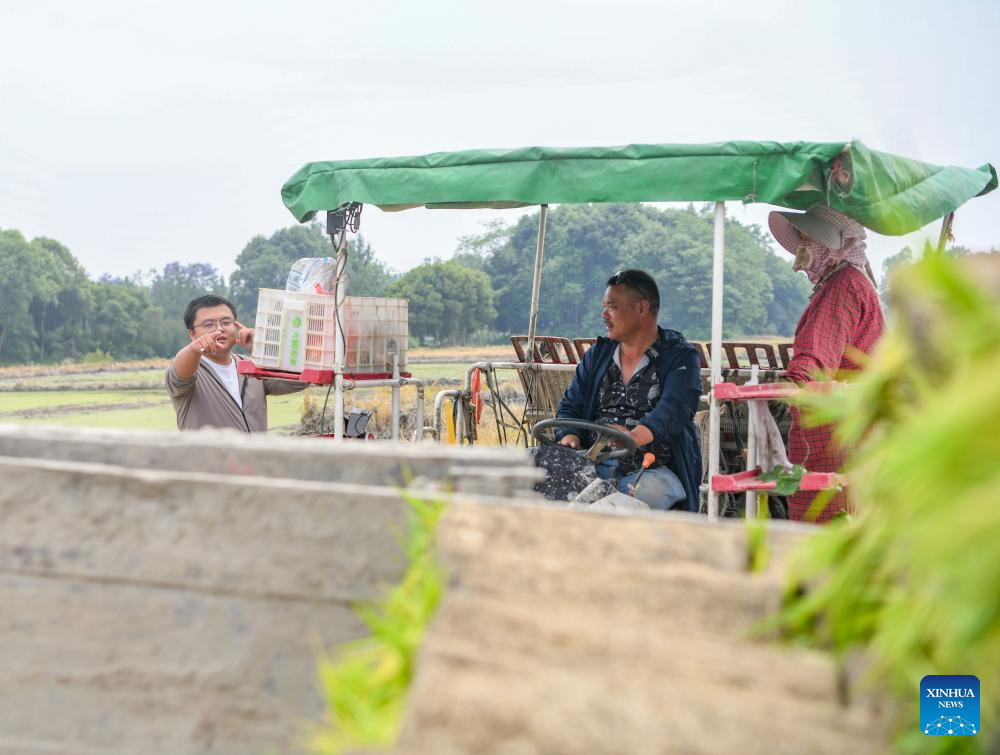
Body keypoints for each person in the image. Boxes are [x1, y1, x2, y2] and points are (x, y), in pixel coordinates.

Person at [768, 202, 885, 522]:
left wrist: (785, 387)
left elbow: (815, 359)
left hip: (836, 437)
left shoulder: (842, 287)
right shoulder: (852, 281)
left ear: (832, 244)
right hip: (851, 432)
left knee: (822, 527)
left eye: (809, 240)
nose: (802, 253)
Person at [555, 270, 703, 511]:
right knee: (536, 470)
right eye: (604, 306)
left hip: (654, 470)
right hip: (594, 461)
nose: (604, 315)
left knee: (640, 496)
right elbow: (571, 406)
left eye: (611, 306)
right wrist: (569, 436)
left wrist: (635, 436)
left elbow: (675, 408)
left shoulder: (680, 356)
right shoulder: (596, 356)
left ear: (642, 309)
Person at [165, 294, 306, 432]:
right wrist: (194, 350)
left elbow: (298, 380)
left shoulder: (251, 367)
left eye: (226, 322)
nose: (219, 329)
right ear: (192, 333)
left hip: (255, 455)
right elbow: (179, 375)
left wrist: (262, 350)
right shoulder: (190, 371)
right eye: (209, 325)